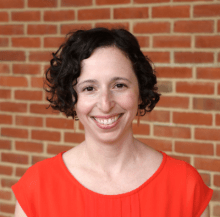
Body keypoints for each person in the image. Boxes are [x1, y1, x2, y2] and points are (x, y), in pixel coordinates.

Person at [12, 27, 213, 217]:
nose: (106, 104)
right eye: (89, 88)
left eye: (119, 85)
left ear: (140, 91)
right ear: (72, 99)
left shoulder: (185, 186)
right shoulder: (37, 187)